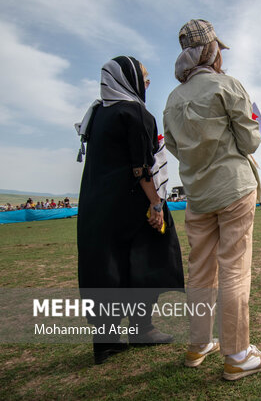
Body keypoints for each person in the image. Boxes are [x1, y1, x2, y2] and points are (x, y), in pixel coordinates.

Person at [164, 18, 261, 381]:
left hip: (197, 195)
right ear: (210, 51)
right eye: (218, 50)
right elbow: (249, 143)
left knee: (199, 270)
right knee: (234, 268)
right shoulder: (227, 86)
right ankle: (238, 354)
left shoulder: (172, 98)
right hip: (233, 188)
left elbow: (173, 147)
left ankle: (199, 344)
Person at [77, 56, 184, 364]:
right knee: (149, 259)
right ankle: (142, 329)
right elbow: (142, 168)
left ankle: (106, 341)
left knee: (106, 269)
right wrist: (155, 205)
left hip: (97, 209)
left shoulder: (97, 114)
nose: (147, 81)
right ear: (127, 79)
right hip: (134, 206)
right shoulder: (134, 112)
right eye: (143, 75)